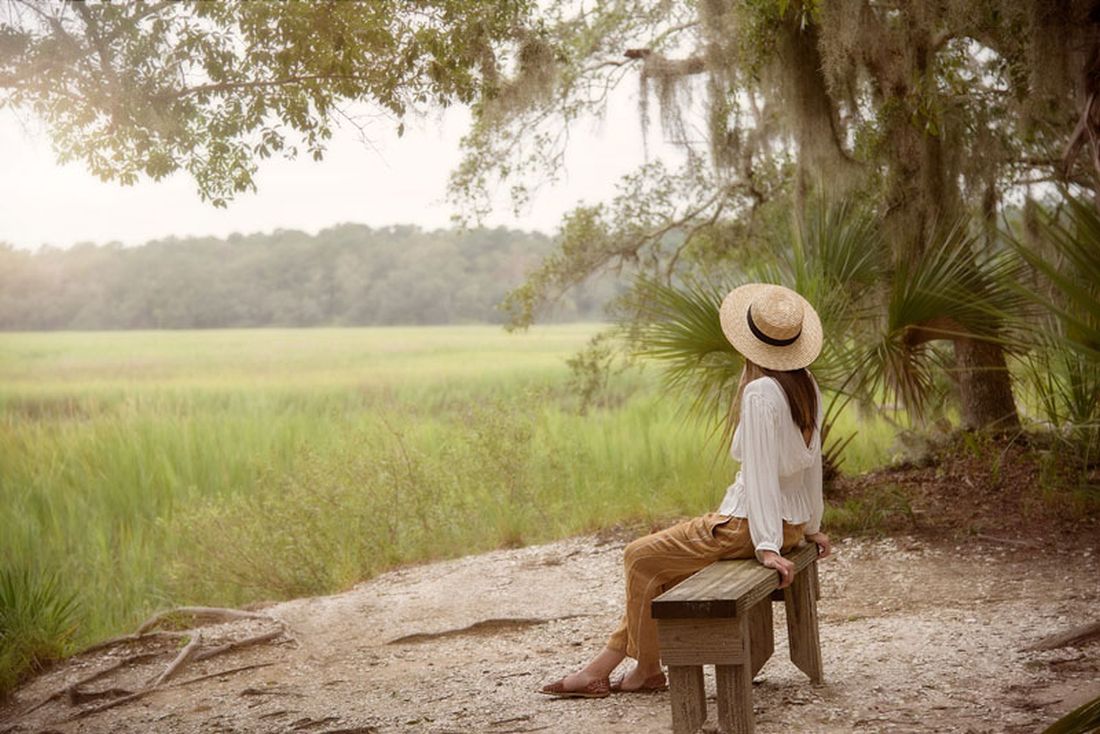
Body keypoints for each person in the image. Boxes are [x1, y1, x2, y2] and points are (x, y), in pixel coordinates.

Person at [539, 283, 832, 698]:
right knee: (656, 569)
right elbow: (810, 466)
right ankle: (612, 669)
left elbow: (764, 475)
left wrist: (767, 546)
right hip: (788, 524)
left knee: (637, 556)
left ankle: (641, 670)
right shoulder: (806, 385)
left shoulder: (760, 392)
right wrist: (811, 525)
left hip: (748, 526)